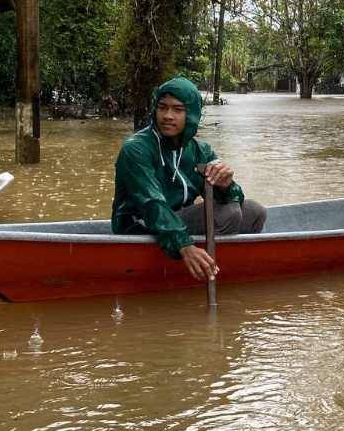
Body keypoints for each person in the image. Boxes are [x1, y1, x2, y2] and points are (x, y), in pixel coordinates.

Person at [111, 77, 266, 281]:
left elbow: (231, 197)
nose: (168, 116)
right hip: (141, 225)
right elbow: (152, 203)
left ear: (191, 115)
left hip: (176, 221)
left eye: (178, 110)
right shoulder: (137, 149)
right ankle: (194, 263)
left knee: (255, 212)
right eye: (162, 107)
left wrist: (227, 185)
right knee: (229, 215)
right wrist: (184, 245)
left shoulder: (200, 151)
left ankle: (224, 266)